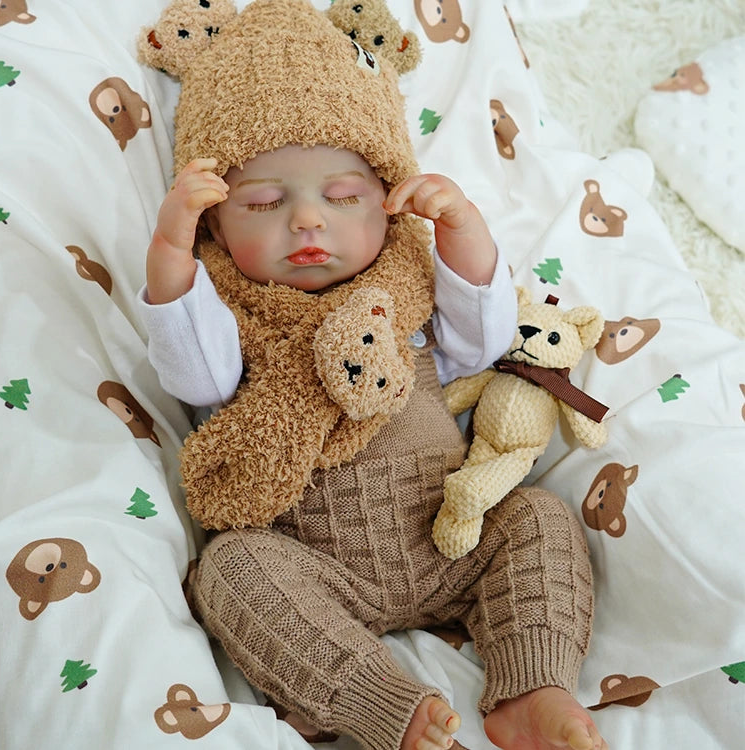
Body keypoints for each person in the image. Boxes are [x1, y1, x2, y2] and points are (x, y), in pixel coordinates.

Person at [137, 2, 608, 749]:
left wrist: (462, 234)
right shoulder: (237, 315)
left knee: (540, 519)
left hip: (454, 535)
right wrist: (171, 256)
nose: (308, 222)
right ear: (217, 226)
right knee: (231, 569)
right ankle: (384, 703)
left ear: (389, 203)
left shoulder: (408, 294)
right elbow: (194, 374)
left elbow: (483, 341)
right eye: (263, 201)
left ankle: (533, 684)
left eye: (345, 196)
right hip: (316, 573)